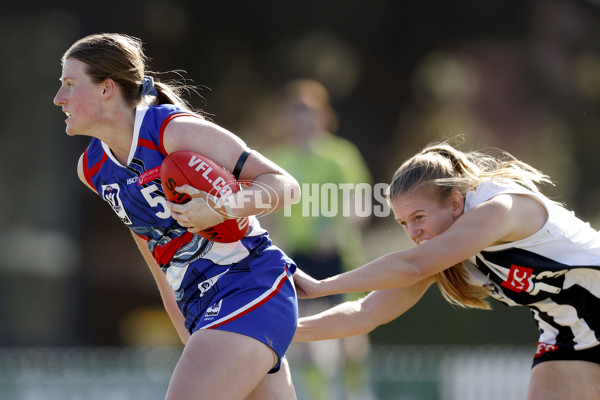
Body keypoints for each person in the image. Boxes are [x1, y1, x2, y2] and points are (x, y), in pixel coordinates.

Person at [53, 33, 301, 400]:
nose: (59, 98)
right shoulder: (92, 168)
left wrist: (220, 208)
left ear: (107, 88)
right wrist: (189, 328)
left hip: (249, 286)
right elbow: (156, 256)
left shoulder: (171, 130)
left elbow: (285, 186)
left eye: (70, 84)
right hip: (202, 306)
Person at [293, 141, 600, 400]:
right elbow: (366, 311)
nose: (413, 233)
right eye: (403, 223)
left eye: (418, 217)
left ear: (455, 203)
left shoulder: (498, 208)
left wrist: (321, 286)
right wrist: (282, 330)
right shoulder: (441, 249)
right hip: (567, 332)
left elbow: (409, 266)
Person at [264, 79, 373, 400]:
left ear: (324, 116)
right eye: (295, 113)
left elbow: (360, 203)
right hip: (297, 258)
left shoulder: (341, 156)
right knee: (305, 338)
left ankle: (357, 392)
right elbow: (267, 210)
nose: (302, 120)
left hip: (339, 257)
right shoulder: (276, 158)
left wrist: (337, 232)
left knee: (350, 338)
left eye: (309, 113)